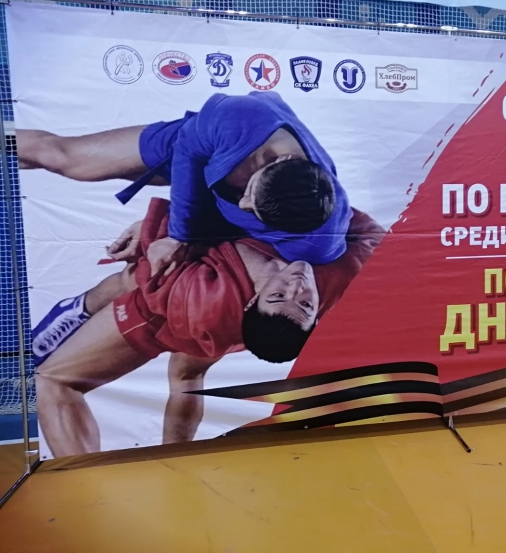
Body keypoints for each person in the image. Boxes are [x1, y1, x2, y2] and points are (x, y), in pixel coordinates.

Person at [35, 198, 384, 457]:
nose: (297, 286)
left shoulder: (207, 304)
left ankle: (87, 480)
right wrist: (315, 209)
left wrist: (155, 231)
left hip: (173, 313)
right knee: (188, 374)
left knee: (57, 375)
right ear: (316, 318)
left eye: (281, 295)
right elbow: (370, 232)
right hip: (239, 326)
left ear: (254, 300)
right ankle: (175, 458)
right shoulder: (344, 273)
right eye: (304, 302)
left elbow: (152, 274)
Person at [17, 90, 353, 267]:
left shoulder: (316, 241)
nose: (244, 204)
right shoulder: (239, 118)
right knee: (66, 158)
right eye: (251, 190)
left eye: (255, 212)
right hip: (196, 149)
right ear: (284, 159)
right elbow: (188, 153)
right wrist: (178, 235)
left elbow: (239, 235)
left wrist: (158, 225)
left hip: (215, 190)